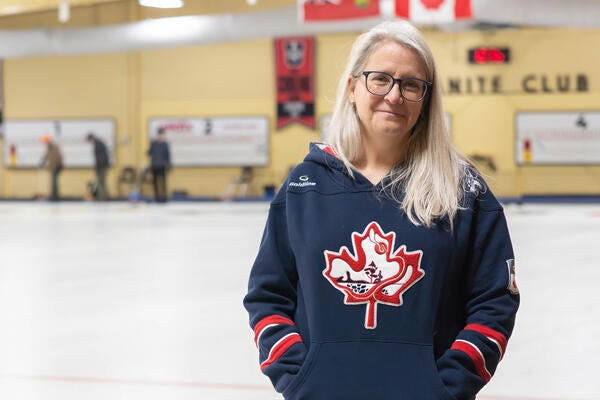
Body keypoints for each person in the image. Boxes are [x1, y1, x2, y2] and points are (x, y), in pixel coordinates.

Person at [243, 20, 519, 400]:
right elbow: (268, 296)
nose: (395, 95)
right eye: (380, 79)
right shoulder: (305, 186)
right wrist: (298, 377)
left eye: (411, 84)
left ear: (425, 100)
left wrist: (445, 386)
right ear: (353, 86)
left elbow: (494, 302)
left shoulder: (463, 190)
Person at [147, 127, 171, 202]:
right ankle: (156, 197)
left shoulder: (165, 144)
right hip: (154, 165)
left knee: (163, 182)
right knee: (155, 182)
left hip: (162, 166)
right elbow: (148, 153)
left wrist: (168, 164)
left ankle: (164, 197)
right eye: (159, 134)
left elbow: (168, 155)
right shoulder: (153, 143)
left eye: (161, 134)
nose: (160, 136)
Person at [86, 132, 110, 200]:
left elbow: (100, 157)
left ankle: (103, 197)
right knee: (102, 181)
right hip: (103, 166)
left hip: (101, 166)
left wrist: (98, 167)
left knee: (100, 181)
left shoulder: (98, 144)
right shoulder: (99, 143)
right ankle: (105, 196)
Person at [39, 133, 63, 201]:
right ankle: (54, 196)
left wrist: (58, 165)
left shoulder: (53, 147)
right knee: (53, 182)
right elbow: (46, 156)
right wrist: (42, 162)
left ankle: (55, 197)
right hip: (53, 167)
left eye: (45, 141)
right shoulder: (49, 147)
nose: (44, 143)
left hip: (56, 167)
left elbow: (58, 157)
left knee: (54, 182)